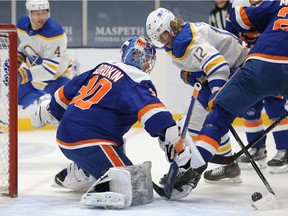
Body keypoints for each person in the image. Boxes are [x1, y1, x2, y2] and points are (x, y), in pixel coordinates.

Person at [31, 35, 196, 208]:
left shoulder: (103, 66)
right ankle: (95, 180)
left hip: (67, 135)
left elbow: (64, 94)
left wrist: (49, 111)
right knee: (135, 184)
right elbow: (155, 115)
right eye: (143, 59)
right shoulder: (136, 80)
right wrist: (173, 143)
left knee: (118, 144)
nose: (145, 64)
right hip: (90, 140)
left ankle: (86, 170)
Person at [173, 0, 288, 193]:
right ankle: (260, 151)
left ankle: (192, 172)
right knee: (260, 111)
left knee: (219, 115)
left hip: (260, 63)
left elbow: (239, 18)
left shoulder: (276, 4)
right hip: (263, 65)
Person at [146, 7, 249, 184]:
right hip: (234, 68)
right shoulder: (179, 38)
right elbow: (202, 67)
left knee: (191, 124)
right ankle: (229, 164)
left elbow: (218, 66)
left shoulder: (186, 41)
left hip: (239, 70)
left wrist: (217, 96)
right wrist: (191, 75)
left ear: (171, 26)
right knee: (201, 119)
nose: (162, 40)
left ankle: (185, 170)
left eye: (162, 34)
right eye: (158, 38)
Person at [206, 0, 288, 177]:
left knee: (275, 106)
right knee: (250, 109)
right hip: (251, 59)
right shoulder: (240, 5)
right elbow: (231, 38)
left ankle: (284, 149)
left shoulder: (271, 4)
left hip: (264, 58)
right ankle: (257, 149)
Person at [17, 0, 73, 127]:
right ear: (29, 13)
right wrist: (17, 59)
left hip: (59, 77)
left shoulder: (54, 32)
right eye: (36, 13)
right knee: (10, 106)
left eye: (44, 13)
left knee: (71, 114)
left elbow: (49, 71)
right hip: (36, 77)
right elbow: (26, 46)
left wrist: (22, 75)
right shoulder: (22, 25)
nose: (41, 17)